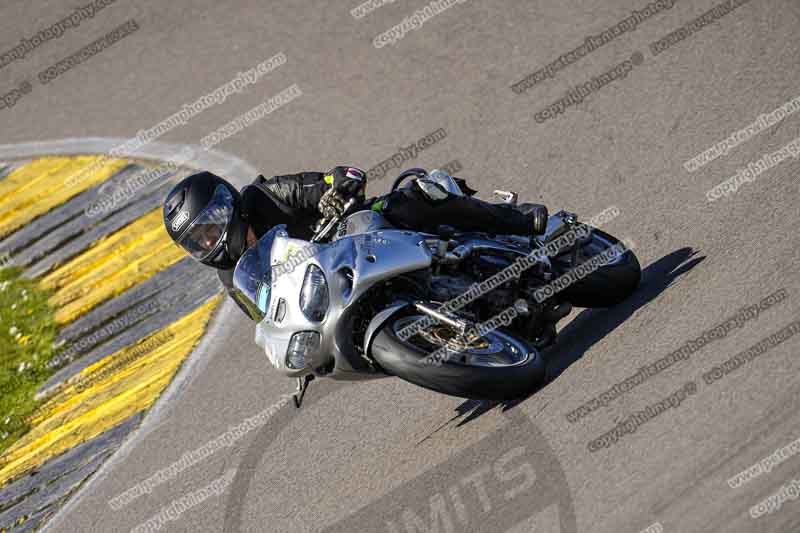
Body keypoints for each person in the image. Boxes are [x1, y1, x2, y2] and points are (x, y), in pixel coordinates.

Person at [162, 166, 548, 303]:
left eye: (209, 228)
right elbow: (268, 317)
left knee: (408, 202)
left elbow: (327, 181)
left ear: (226, 205)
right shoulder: (232, 278)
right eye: (198, 241)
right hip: (335, 289)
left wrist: (337, 189)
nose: (209, 241)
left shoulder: (265, 197)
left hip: (363, 239)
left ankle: (512, 218)